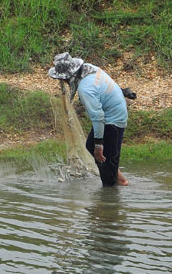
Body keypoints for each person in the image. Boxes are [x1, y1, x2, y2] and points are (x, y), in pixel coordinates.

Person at [48, 52, 129, 187]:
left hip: (113, 120)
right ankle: (118, 177)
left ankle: (111, 197)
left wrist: (99, 145)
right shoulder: (88, 68)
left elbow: (98, 117)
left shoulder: (86, 89)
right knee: (90, 146)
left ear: (68, 76)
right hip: (115, 110)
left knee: (104, 163)